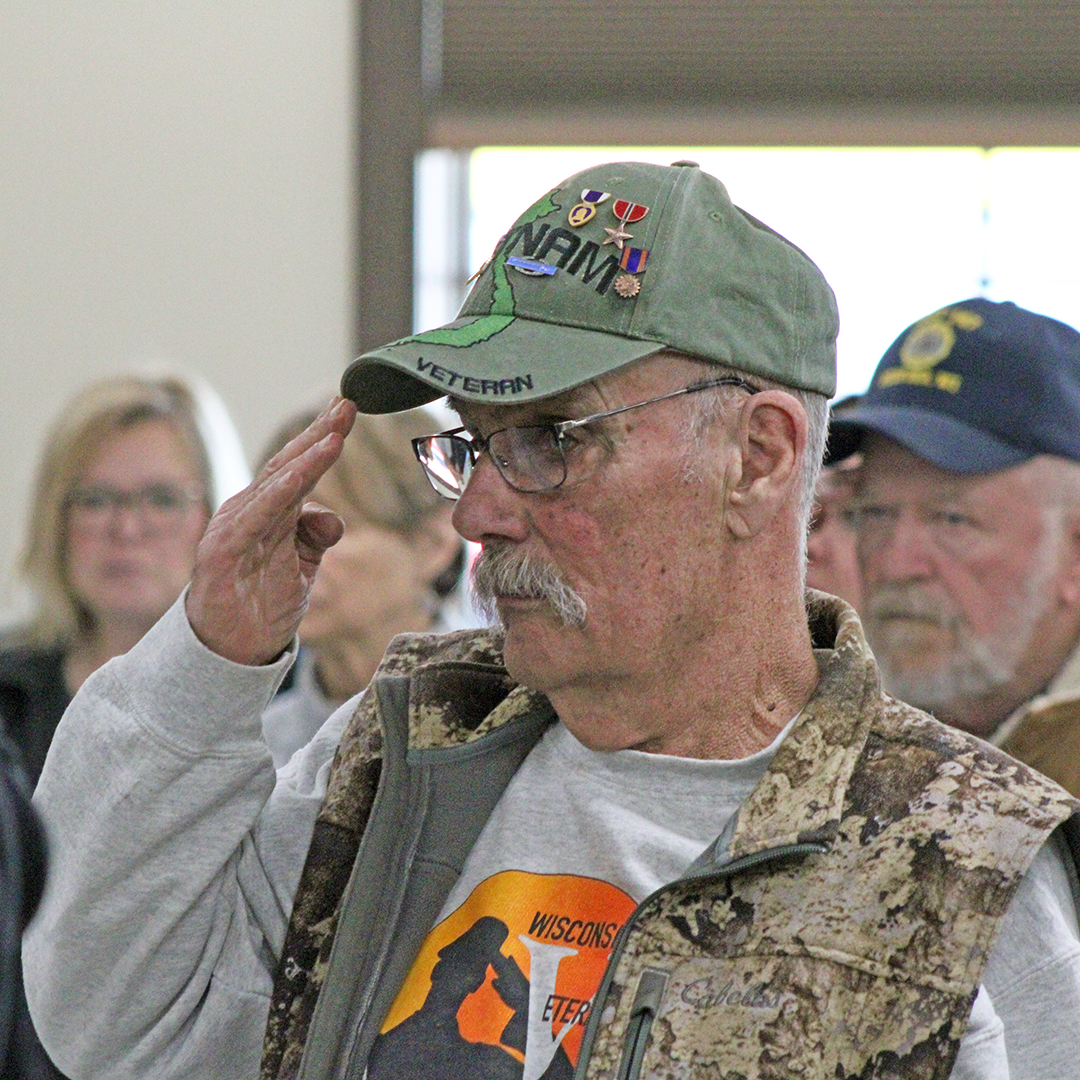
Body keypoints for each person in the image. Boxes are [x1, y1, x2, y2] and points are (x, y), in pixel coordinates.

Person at [25, 163, 1080, 1080]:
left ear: (756, 459)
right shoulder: (404, 752)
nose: (482, 512)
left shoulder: (958, 862)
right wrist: (207, 663)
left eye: (552, 441)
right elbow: (119, 1024)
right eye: (477, 448)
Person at [829, 298, 1080, 798]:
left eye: (952, 520)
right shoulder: (800, 739)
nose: (897, 564)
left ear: (1074, 555)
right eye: (875, 513)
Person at [0, 373, 249, 785]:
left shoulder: (276, 691)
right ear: (55, 522)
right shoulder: (9, 697)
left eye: (163, 499)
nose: (127, 529)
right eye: (95, 500)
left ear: (219, 513)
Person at [259, 408, 471, 767]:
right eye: (273, 526)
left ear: (433, 545)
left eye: (321, 525)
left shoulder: (497, 717)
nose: (283, 553)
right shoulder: (256, 749)